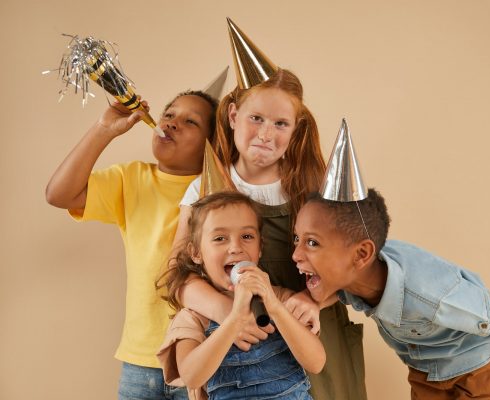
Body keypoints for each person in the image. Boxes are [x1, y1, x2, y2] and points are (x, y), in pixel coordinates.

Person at [172, 68, 368, 400]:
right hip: (239, 345)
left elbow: (354, 266)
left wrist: (311, 299)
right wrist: (228, 313)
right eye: (256, 118)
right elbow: (177, 274)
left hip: (312, 330)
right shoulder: (203, 189)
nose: (265, 134)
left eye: (280, 124)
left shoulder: (315, 188)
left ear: (296, 129)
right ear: (233, 115)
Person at [292, 188, 490, 400]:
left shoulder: (428, 294)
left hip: (477, 365)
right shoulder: (356, 275)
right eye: (297, 239)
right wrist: (312, 300)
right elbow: (339, 290)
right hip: (426, 372)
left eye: (312, 242)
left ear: (361, 254)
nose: (295, 254)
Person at [45, 90, 218, 400]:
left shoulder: (218, 191)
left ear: (212, 144)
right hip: (140, 362)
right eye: (169, 114)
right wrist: (103, 129)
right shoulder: (132, 178)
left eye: (190, 121)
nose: (172, 123)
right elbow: (59, 194)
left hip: (200, 358)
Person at [157, 191, 325, 399]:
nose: (236, 248)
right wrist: (234, 319)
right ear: (196, 253)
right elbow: (192, 377)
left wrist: (275, 307)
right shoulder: (194, 316)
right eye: (220, 238)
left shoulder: (280, 298)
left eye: (247, 237)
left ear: (260, 248)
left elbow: (316, 363)